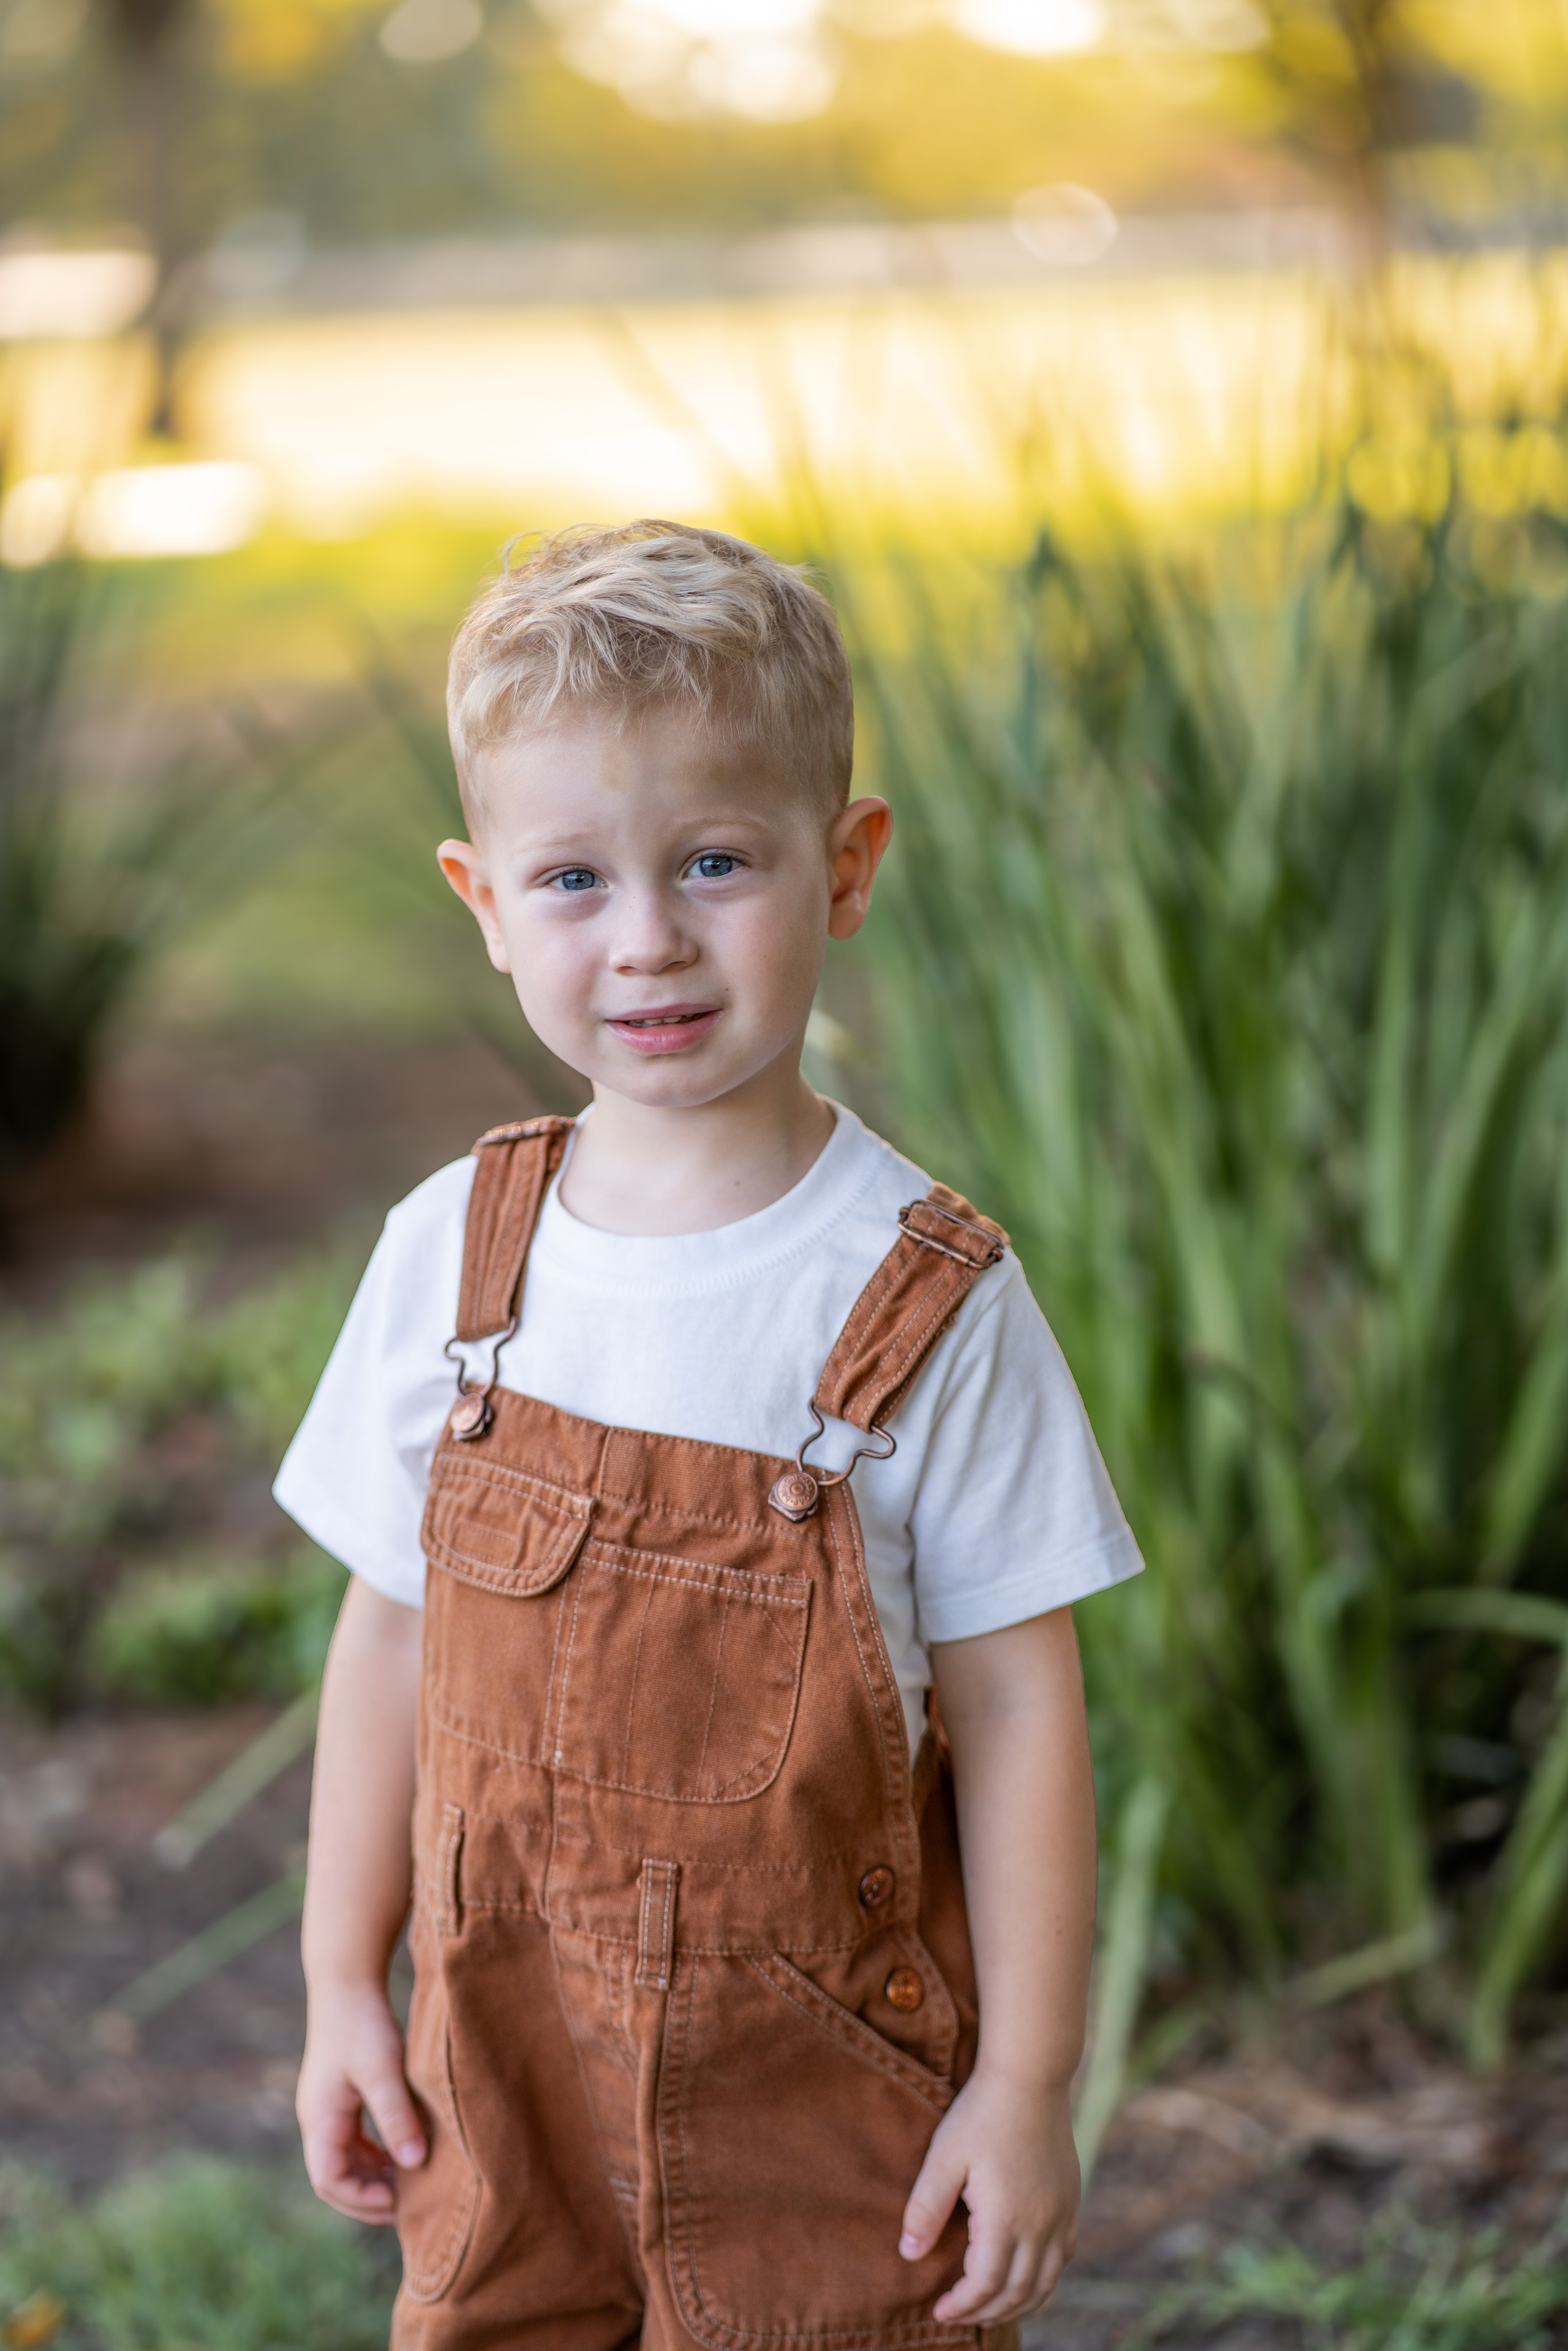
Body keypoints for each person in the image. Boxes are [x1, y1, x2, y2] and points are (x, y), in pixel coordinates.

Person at [276, 520, 1142, 2351]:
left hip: (827, 2099)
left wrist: (1029, 2085)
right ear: (484, 901)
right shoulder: (453, 1258)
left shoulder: (920, 1299)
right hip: (502, 2067)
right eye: (575, 878)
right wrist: (341, 1977)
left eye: (717, 862)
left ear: (847, 869)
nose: (651, 937)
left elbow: (1017, 1704)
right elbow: (395, 1632)